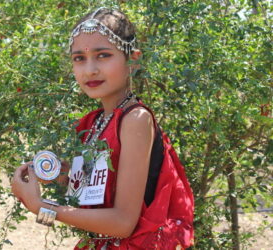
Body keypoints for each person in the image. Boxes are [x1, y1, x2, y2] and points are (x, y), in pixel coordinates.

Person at [11, 7, 194, 249]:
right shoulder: (96, 121)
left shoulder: (135, 119)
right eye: (79, 58)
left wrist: (42, 207)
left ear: (133, 60)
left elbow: (123, 222)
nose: (90, 70)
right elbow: (104, 191)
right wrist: (64, 176)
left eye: (103, 55)